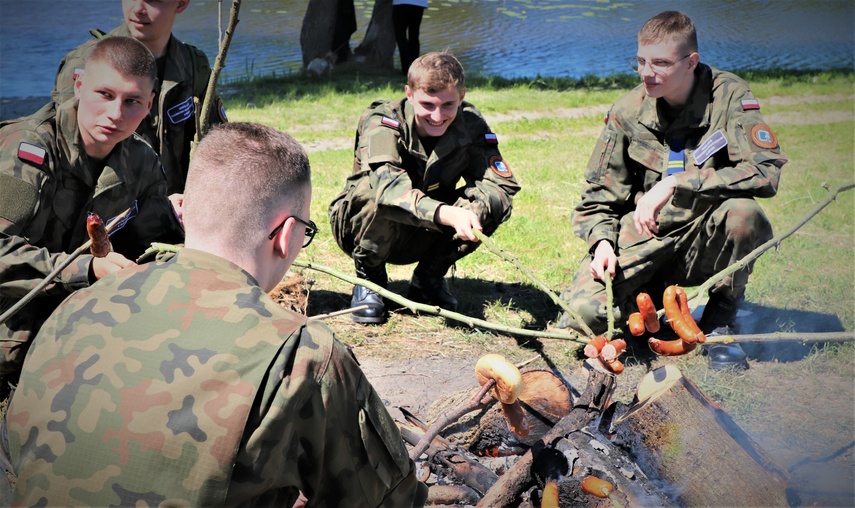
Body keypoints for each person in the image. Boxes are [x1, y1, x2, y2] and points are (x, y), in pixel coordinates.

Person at [1, 122, 428, 506]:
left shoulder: (75, 308)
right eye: (306, 231)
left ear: (184, 212)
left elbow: (17, 453)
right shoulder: (304, 355)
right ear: (286, 235)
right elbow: (389, 500)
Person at [556, 11, 787, 368]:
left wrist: (676, 182)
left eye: (661, 63)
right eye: (641, 61)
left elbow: (765, 171)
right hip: (644, 236)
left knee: (744, 214)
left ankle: (722, 315)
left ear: (691, 61)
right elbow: (598, 199)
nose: (648, 73)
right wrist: (601, 241)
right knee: (582, 314)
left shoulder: (727, 98)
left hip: (703, 233)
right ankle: (649, 312)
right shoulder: (627, 112)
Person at [0, 37, 183, 386]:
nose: (115, 114)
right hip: (11, 334)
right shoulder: (28, 152)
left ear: (150, 105)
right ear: (79, 85)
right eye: (105, 95)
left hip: (84, 332)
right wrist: (85, 268)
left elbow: (158, 248)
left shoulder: (141, 161)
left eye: (132, 102)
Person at [329, 51, 520, 325]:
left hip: (426, 230)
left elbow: (499, 182)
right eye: (427, 104)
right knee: (377, 195)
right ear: (409, 93)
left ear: (462, 96)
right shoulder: (383, 120)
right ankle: (370, 279)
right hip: (363, 226)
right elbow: (389, 189)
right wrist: (448, 214)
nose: (437, 115)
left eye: (448, 105)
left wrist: (472, 210)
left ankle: (428, 279)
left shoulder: (471, 124)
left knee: (492, 201)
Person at [52, 0, 226, 196]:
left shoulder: (193, 64)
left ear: (181, 3)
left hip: (177, 213)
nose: (138, 9)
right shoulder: (89, 62)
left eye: (153, 0)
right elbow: (68, 155)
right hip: (110, 214)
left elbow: (215, 146)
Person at [392, 0, 428, 74]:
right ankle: (414, 68)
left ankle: (405, 69)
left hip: (400, 3)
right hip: (419, 4)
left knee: (401, 36)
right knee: (414, 36)